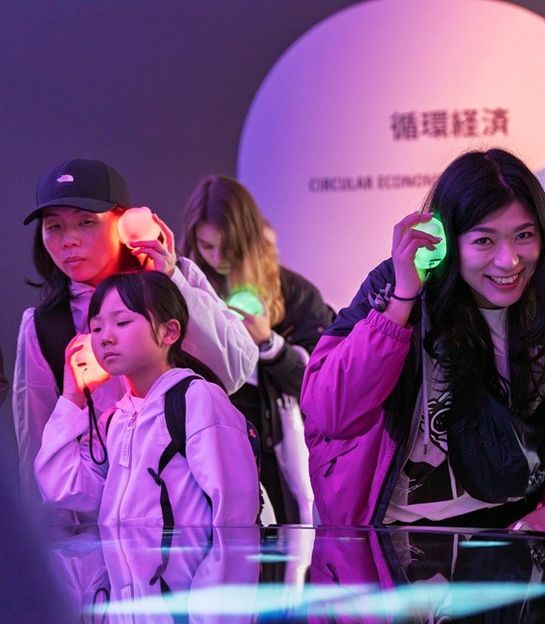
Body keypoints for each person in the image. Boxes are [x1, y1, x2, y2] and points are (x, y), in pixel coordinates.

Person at [301, 148, 545, 529]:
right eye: (484, 241)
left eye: (524, 235)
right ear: (448, 240)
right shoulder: (395, 287)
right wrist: (401, 302)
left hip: (513, 535)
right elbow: (332, 412)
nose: (508, 261)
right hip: (392, 536)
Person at [13, 159, 257, 507]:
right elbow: (36, 451)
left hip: (196, 505)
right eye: (54, 227)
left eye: (86, 222)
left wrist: (171, 280)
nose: (69, 240)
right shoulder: (44, 325)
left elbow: (235, 369)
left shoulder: (174, 279)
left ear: (125, 221)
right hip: (101, 519)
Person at [34, 271, 260, 526]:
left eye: (122, 323)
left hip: (191, 566)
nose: (105, 337)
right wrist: (72, 397)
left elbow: (235, 513)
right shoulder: (114, 419)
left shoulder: (198, 400)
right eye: (96, 327)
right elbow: (61, 488)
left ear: (169, 332)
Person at [182, 175, 336, 524]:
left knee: (283, 556)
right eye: (207, 246)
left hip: (277, 452)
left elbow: (324, 385)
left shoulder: (294, 293)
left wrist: (269, 343)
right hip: (203, 448)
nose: (218, 257)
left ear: (250, 238)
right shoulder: (185, 293)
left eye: (229, 247)